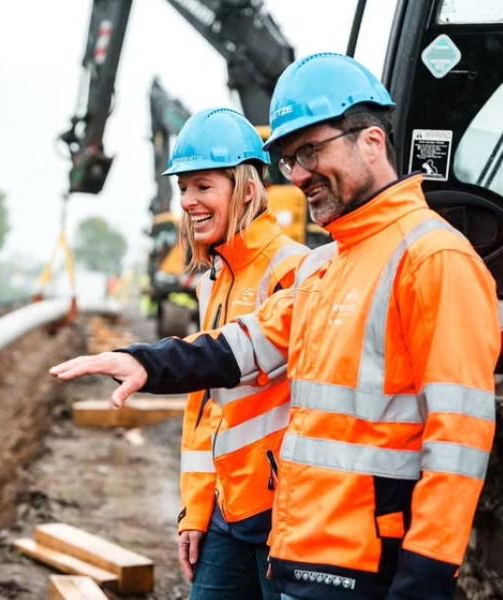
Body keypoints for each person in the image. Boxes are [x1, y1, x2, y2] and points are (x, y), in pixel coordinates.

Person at [51, 53, 500, 599]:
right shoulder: (324, 266)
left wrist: (425, 578)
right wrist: (143, 362)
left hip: (366, 566)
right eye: (290, 159)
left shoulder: (433, 259)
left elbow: (459, 440)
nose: (300, 174)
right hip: (301, 551)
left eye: (310, 150)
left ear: (373, 143)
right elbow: (242, 346)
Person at [162, 108, 308, 599]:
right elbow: (207, 408)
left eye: (203, 187)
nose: (188, 202)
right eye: (184, 189)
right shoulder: (215, 279)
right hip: (229, 509)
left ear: (245, 188)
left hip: (285, 516)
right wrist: (195, 509)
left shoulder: (294, 270)